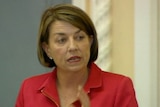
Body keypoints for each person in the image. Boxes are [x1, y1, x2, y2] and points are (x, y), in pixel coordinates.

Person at [15, 3, 138, 107]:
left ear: (90, 42)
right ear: (47, 49)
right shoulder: (29, 89)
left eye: (79, 37)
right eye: (62, 40)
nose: (73, 47)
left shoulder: (119, 87)